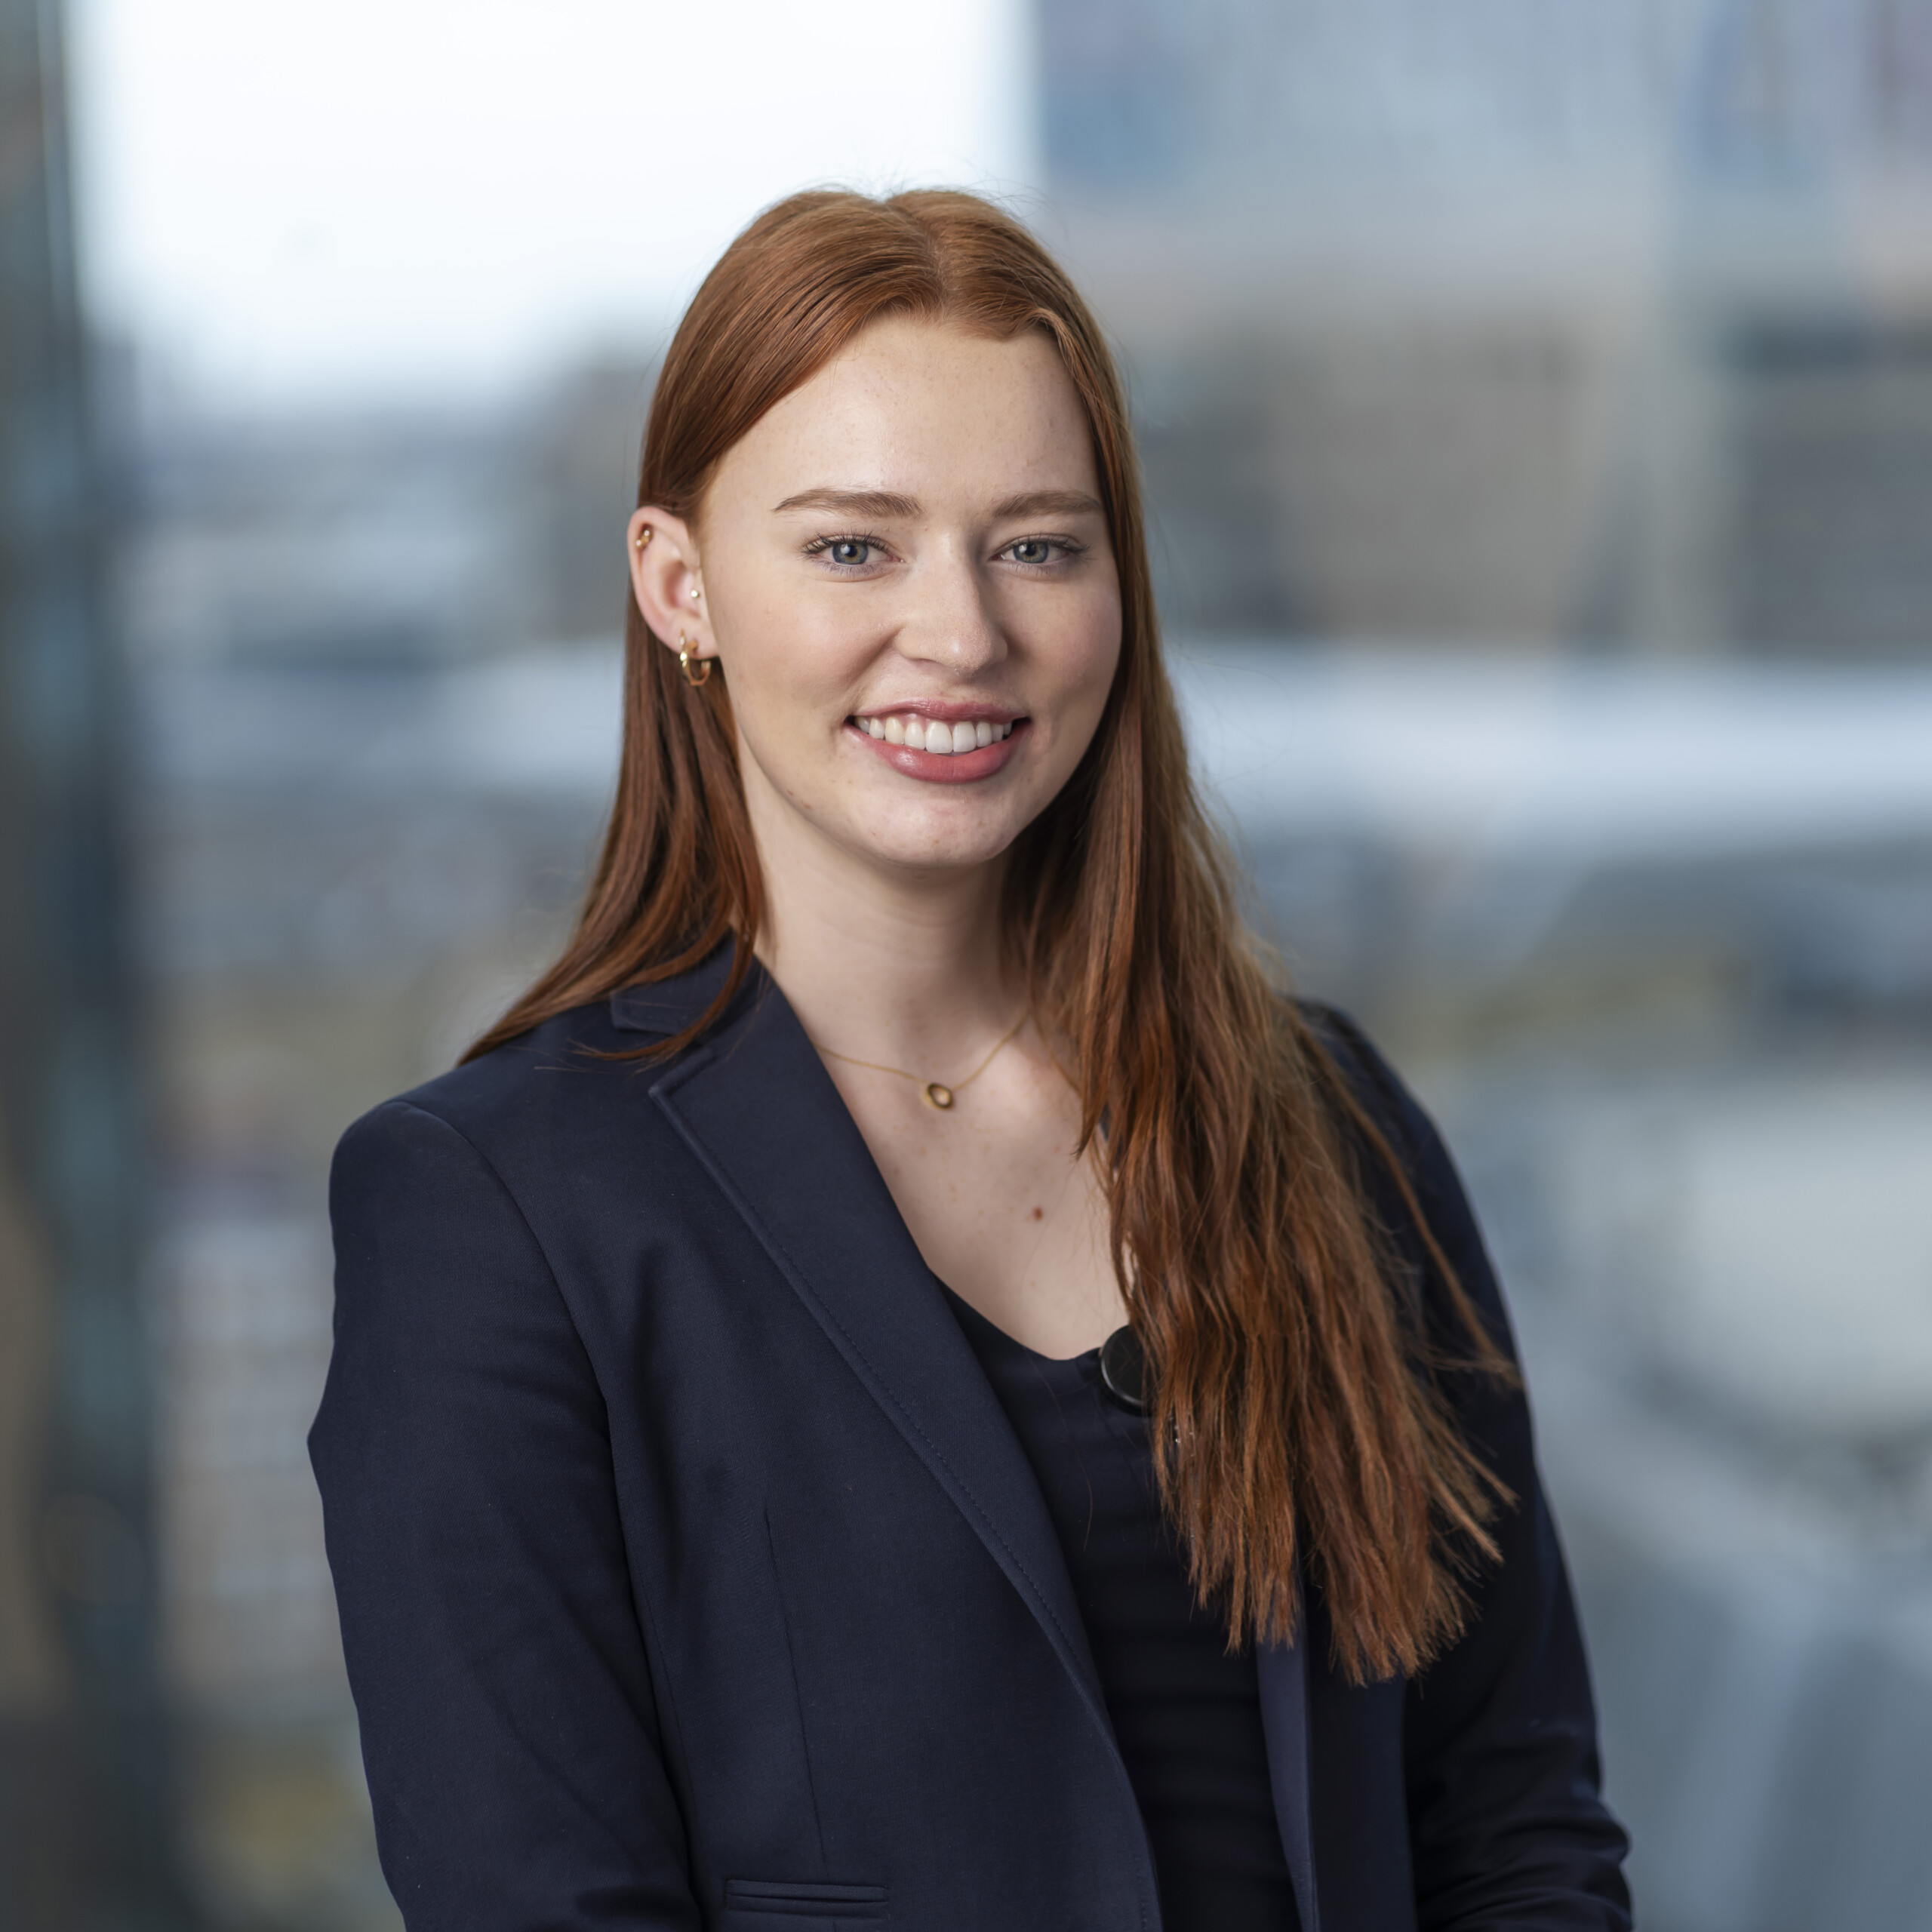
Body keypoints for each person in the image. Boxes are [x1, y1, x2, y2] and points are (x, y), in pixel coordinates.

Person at [310, 189, 1630, 1932]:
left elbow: (1515, 1816)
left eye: (1037, 547)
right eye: (854, 548)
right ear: (679, 585)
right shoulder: (494, 1207)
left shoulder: (1326, 1120)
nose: (959, 633)